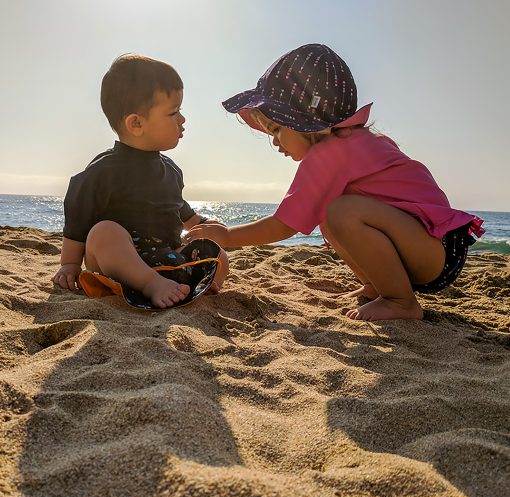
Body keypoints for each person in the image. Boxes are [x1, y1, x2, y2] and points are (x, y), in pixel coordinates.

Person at [185, 43, 484, 321]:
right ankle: (376, 286)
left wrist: (226, 236)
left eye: (276, 130)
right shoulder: (352, 142)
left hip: (435, 248)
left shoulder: (331, 153)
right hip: (427, 243)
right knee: (330, 214)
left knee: (342, 212)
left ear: (307, 121)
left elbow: (284, 224)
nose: (274, 142)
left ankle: (400, 301)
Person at [52, 55, 228, 309]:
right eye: (173, 112)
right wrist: (69, 264)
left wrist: (203, 224)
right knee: (104, 233)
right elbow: (79, 215)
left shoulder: (171, 171)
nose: (183, 119)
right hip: (120, 263)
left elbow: (178, 208)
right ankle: (150, 284)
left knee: (216, 250)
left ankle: (201, 284)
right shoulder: (103, 171)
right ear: (136, 123)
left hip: (165, 257)